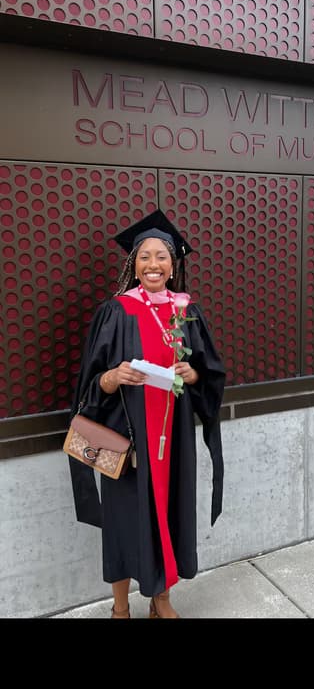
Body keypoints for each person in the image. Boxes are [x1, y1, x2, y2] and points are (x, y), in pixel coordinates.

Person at [68, 209, 225, 619]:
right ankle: (120, 609)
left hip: (172, 440)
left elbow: (210, 375)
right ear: (133, 265)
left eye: (161, 257)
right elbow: (89, 384)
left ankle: (162, 600)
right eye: (144, 256)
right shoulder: (117, 311)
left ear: (173, 266)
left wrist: (192, 373)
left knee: (171, 513)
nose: (153, 264)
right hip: (128, 439)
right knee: (123, 522)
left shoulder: (186, 312)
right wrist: (112, 377)